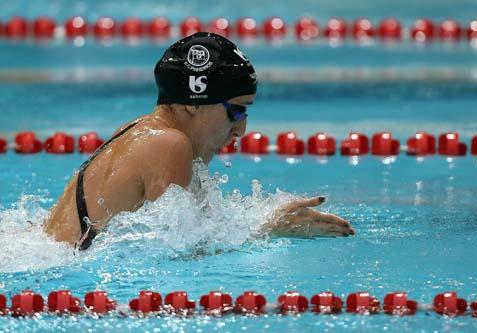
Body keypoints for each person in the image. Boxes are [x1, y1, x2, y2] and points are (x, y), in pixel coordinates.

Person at [43, 32, 355, 250]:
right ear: (194, 103)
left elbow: (189, 234)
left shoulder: (138, 129)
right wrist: (269, 230)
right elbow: (175, 255)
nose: (241, 130)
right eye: (235, 111)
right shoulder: (168, 145)